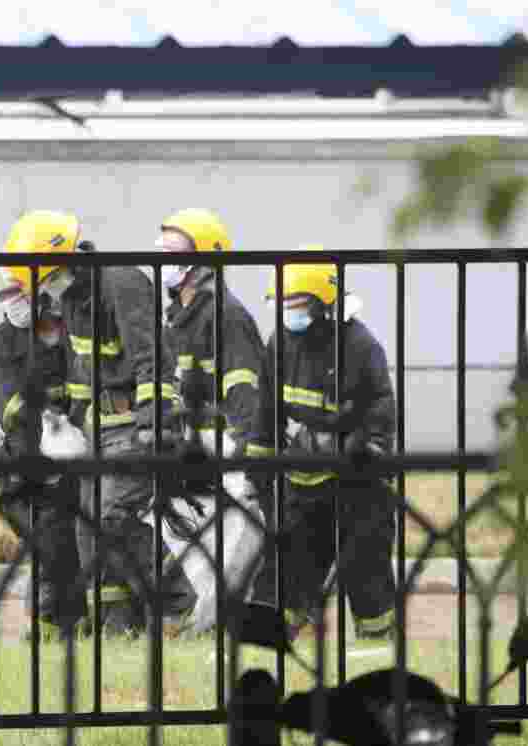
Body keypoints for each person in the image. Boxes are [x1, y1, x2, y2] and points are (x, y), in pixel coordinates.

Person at [3, 209, 180, 637]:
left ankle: (177, 606)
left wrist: (155, 426)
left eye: (41, 281)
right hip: (99, 429)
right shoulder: (71, 299)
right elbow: (83, 368)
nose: (41, 294)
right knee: (88, 531)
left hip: (135, 425)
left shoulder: (121, 284)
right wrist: (64, 420)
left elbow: (149, 360)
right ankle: (118, 625)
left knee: (112, 518)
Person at [256, 254, 398, 647]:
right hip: (301, 479)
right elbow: (265, 411)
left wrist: (363, 456)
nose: (289, 316)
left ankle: (377, 643)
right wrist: (261, 468)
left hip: (356, 481)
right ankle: (274, 643)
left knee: (365, 568)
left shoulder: (359, 346)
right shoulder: (279, 344)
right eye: (282, 307)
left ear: (322, 305)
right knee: (290, 566)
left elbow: (381, 410)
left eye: (297, 307)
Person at [154, 208, 272, 635]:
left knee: (230, 541)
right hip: (193, 445)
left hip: (226, 443)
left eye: (176, 252)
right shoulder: (177, 315)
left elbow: (245, 388)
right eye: (162, 250)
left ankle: (214, 623)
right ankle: (207, 619)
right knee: (182, 530)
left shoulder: (225, 315)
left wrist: (246, 454)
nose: (166, 260)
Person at [0, 265, 87, 640]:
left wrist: (72, 428)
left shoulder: (72, 332)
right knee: (46, 538)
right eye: (8, 298)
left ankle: (69, 618)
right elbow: (9, 406)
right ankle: (50, 619)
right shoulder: (5, 339)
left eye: (18, 296)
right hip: (26, 460)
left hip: (74, 452)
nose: (12, 306)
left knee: (69, 539)